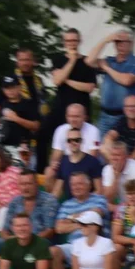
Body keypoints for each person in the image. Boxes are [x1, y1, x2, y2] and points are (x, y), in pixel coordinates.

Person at [42, 29, 97, 171]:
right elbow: (57, 81)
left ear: (79, 41)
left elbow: (89, 87)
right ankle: (43, 170)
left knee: (81, 141)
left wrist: (66, 79)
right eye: (68, 41)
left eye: (74, 40)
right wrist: (71, 61)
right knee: (43, 134)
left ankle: (83, 170)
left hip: (81, 109)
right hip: (60, 106)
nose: (71, 44)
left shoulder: (87, 62)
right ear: (64, 42)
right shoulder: (58, 60)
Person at [86, 30, 135, 137]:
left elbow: (127, 80)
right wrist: (105, 40)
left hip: (126, 117)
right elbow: (89, 61)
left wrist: (106, 68)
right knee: (102, 150)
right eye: (117, 42)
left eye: (124, 42)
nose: (120, 45)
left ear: (131, 43)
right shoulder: (109, 60)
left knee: (123, 150)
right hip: (105, 116)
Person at [0, 75, 40, 163]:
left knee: (20, 174)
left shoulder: (28, 104)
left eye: (12, 87)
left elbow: (36, 126)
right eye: (7, 88)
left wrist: (16, 119)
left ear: (19, 87)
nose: (10, 91)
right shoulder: (3, 103)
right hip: (3, 147)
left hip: (21, 147)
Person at [101, 95, 135, 167]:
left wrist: (124, 164)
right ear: (124, 109)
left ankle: (116, 168)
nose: (131, 109)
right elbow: (109, 137)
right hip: (121, 161)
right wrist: (114, 156)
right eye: (128, 106)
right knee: (103, 148)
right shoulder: (122, 121)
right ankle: (115, 167)